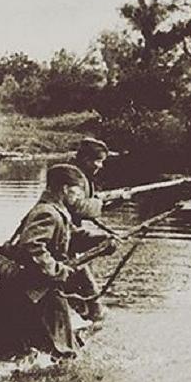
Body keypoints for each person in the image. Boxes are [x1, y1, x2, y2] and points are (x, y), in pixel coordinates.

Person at [0, 164, 114, 359]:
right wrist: (59, 270)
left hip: (29, 291)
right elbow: (32, 247)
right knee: (57, 351)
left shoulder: (55, 211)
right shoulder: (47, 212)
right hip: (33, 291)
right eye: (77, 191)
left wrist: (101, 240)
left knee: (8, 346)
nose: (79, 197)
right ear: (65, 189)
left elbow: (69, 238)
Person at [65, 137, 112, 323]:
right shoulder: (73, 176)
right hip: (64, 241)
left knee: (81, 286)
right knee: (89, 291)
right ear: (85, 159)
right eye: (98, 161)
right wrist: (99, 202)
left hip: (69, 238)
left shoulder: (79, 175)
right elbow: (77, 207)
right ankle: (92, 317)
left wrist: (114, 201)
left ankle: (83, 315)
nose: (100, 166)